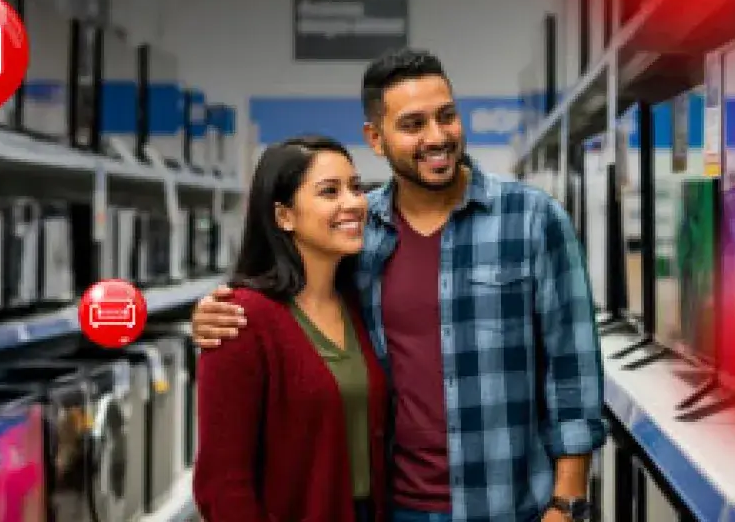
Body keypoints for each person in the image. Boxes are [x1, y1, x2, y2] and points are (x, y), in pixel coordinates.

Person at [192, 49, 606, 522]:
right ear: (376, 138)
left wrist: (566, 503)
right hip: (393, 507)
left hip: (509, 505)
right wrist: (214, 313)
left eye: (446, 116)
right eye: (413, 125)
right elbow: (296, 302)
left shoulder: (532, 219)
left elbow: (573, 365)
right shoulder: (359, 235)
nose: (437, 137)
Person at [192, 135, 390, 522]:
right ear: (284, 216)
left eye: (355, 187)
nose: (353, 202)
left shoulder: (358, 303)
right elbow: (222, 483)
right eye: (330, 191)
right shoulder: (241, 318)